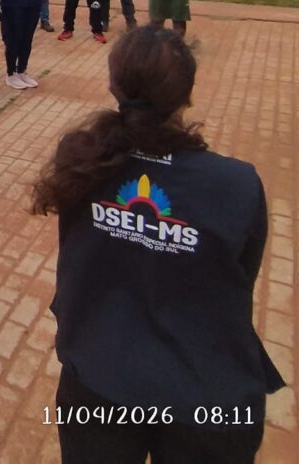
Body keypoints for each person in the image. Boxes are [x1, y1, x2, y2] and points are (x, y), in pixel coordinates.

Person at [31, 27, 283, 463]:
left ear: (114, 87)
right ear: (187, 94)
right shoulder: (235, 183)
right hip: (205, 391)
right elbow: (241, 276)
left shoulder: (80, 157)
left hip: (99, 375)